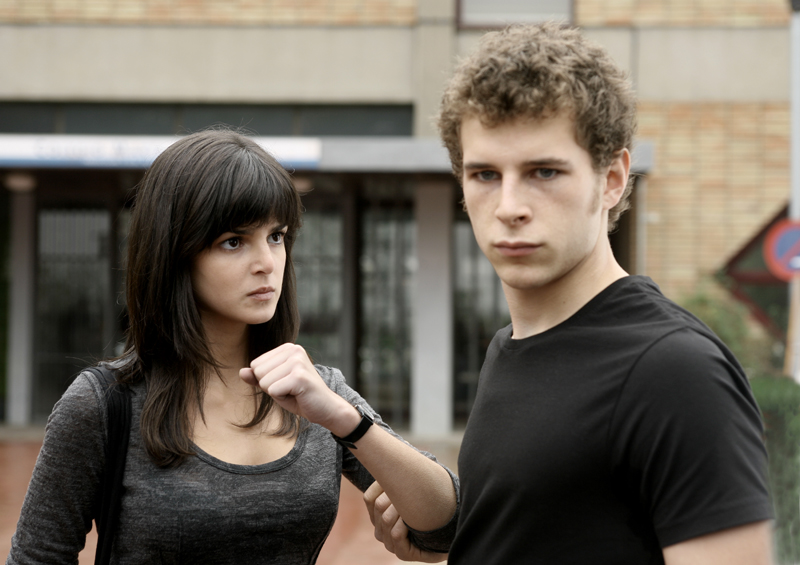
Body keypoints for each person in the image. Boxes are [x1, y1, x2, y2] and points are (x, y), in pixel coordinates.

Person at [365, 22, 774, 564]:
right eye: (485, 174)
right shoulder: (510, 345)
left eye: (544, 171)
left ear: (612, 179)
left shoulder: (675, 370)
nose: (509, 206)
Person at [7, 129, 458, 564]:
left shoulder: (317, 394)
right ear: (175, 254)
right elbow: (37, 556)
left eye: (276, 236)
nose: (267, 263)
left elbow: (447, 528)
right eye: (234, 241)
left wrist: (345, 421)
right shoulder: (104, 404)